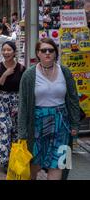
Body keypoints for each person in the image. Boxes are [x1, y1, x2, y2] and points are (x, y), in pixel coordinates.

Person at [18, 38, 80, 180]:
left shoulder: (65, 72)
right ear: (37, 54)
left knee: (59, 163)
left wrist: (75, 124)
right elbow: (23, 104)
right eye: (43, 50)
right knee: (34, 164)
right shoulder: (29, 74)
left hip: (62, 123)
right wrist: (22, 132)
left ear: (55, 53)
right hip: (37, 124)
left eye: (51, 50)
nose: (47, 53)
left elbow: (73, 99)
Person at [0, 41, 26, 171]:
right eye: (4, 50)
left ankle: (15, 158)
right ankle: (4, 160)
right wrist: (5, 74)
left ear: (14, 52)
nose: (6, 53)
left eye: (9, 50)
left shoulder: (22, 69)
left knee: (15, 130)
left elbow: (24, 87)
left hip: (16, 101)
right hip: (0, 100)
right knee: (4, 129)